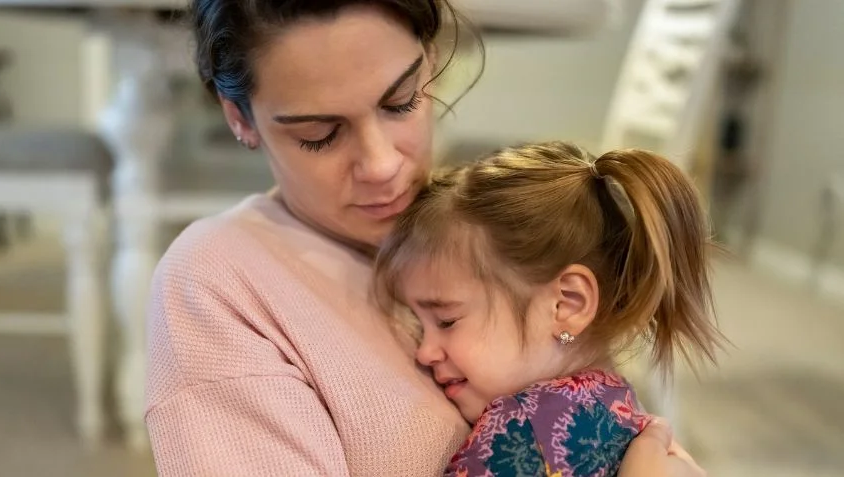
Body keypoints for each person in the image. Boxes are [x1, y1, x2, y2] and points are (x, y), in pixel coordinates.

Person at [146, 1, 708, 475]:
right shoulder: (218, 281)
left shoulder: (474, 232)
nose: (382, 164)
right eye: (320, 135)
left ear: (432, 61)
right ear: (240, 119)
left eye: (401, 103)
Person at [373, 141, 725, 476]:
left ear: (567, 303)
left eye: (446, 321)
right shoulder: (615, 400)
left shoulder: (523, 431)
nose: (424, 352)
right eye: (421, 326)